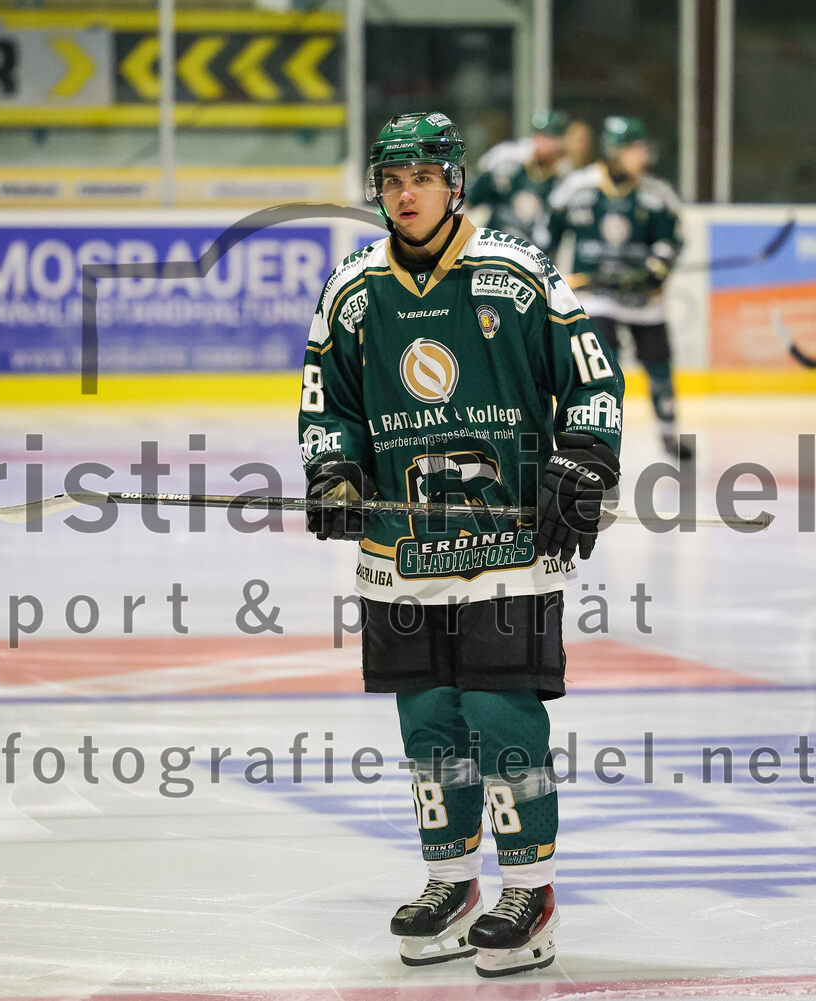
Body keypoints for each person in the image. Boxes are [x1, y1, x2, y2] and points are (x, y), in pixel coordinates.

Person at [298, 112, 623, 977]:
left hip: (507, 538)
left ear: (454, 184)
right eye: (393, 179)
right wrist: (332, 467)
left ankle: (531, 889)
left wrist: (584, 459)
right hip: (400, 543)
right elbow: (324, 401)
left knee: (498, 711)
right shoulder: (352, 289)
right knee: (429, 721)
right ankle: (452, 881)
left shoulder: (515, 275)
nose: (406, 194)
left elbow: (591, 376)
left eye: (423, 177)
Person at [542, 115, 691, 460]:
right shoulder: (577, 188)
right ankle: (596, 437)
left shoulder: (656, 193)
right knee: (602, 370)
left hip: (645, 301)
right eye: (633, 148)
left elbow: (672, 240)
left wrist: (657, 267)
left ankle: (668, 434)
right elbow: (546, 236)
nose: (642, 156)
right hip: (596, 299)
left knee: (659, 368)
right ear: (613, 151)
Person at [465, 110, 570, 243]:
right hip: (498, 238)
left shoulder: (566, 175)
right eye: (538, 135)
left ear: (560, 140)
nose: (541, 142)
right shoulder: (511, 158)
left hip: (537, 246)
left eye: (548, 136)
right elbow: (474, 195)